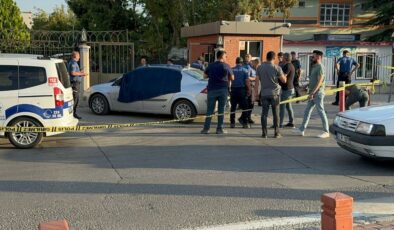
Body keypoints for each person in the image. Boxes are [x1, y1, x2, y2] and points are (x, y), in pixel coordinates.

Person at [293, 50, 330, 138]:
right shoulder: (314, 66)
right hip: (312, 93)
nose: (312, 58)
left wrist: (313, 93)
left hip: (318, 93)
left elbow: (320, 81)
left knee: (321, 111)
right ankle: (301, 129)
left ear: (318, 57)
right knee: (307, 111)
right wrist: (305, 86)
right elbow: (313, 80)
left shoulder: (320, 67)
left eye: (313, 56)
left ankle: (326, 131)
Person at [201, 50, 234, 134]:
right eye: (226, 56)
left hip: (212, 90)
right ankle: (219, 129)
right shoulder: (226, 66)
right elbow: (233, 78)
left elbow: (204, 76)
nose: (226, 58)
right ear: (222, 56)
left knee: (210, 110)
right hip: (223, 90)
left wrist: (212, 75)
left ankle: (206, 129)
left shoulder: (211, 65)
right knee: (221, 110)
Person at [254, 51, 286, 138]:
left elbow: (257, 82)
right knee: (276, 114)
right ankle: (277, 133)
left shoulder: (259, 68)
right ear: (274, 58)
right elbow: (284, 80)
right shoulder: (277, 68)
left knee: (264, 114)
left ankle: (264, 133)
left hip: (264, 93)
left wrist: (256, 94)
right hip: (275, 93)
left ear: (266, 57)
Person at [230, 57, 251, 129]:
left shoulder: (232, 70)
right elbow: (247, 82)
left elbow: (229, 80)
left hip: (233, 90)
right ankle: (245, 123)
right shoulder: (245, 70)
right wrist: (249, 90)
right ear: (242, 63)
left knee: (233, 107)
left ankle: (232, 123)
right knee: (245, 107)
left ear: (236, 62)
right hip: (242, 90)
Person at [279, 53, 296, 128]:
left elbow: (283, 76)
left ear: (285, 58)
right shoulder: (291, 65)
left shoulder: (288, 66)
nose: (281, 59)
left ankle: (280, 123)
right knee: (289, 106)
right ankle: (291, 122)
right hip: (289, 88)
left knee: (282, 106)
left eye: (282, 57)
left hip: (287, 89)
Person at [68, 51, 86, 120]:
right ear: (75, 56)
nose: (79, 57)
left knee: (76, 98)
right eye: (78, 56)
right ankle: (73, 114)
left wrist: (79, 72)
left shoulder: (73, 62)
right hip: (75, 83)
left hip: (75, 83)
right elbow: (72, 73)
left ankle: (73, 113)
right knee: (75, 99)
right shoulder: (73, 63)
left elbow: (74, 72)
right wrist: (81, 74)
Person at [244, 53, 256, 124]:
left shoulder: (253, 66)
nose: (247, 58)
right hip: (244, 87)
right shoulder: (243, 65)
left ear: (251, 58)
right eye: (246, 56)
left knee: (251, 103)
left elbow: (255, 77)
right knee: (246, 103)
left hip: (251, 86)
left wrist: (250, 78)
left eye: (248, 56)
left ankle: (249, 117)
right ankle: (245, 118)